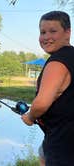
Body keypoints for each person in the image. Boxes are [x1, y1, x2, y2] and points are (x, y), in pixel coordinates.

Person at [21, 11, 74, 166]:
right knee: (42, 152)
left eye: (53, 31)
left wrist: (30, 117)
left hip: (63, 141)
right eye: (43, 32)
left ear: (67, 32)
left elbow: (42, 103)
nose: (46, 37)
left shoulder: (57, 62)